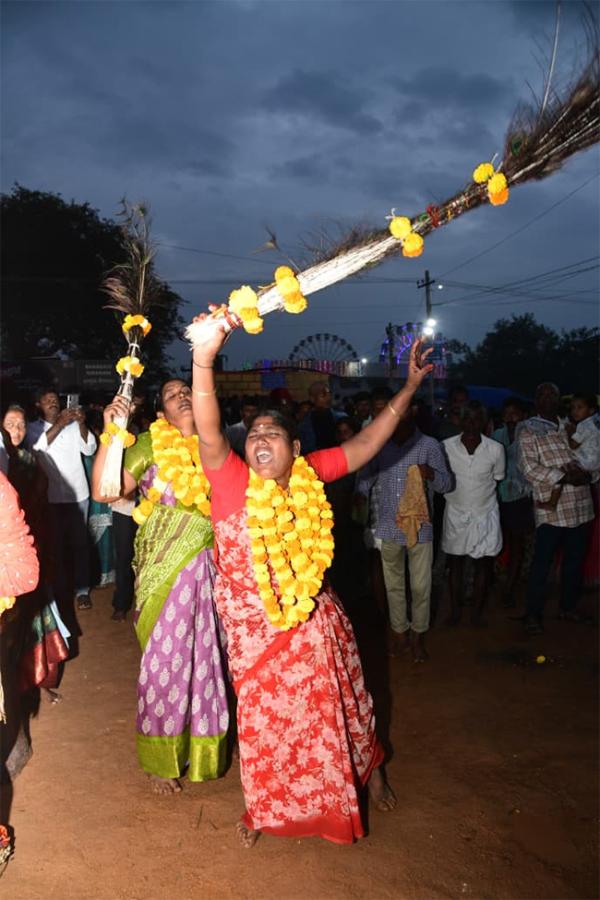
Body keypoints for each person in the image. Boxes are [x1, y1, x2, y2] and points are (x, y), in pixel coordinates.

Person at [190, 312, 433, 847]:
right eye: (254, 433)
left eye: (274, 434)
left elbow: (368, 443)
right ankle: (262, 806)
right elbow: (209, 428)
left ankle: (368, 773)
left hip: (311, 627)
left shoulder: (311, 472)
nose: (261, 439)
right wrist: (203, 357)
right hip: (252, 635)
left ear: (294, 450)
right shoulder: (230, 481)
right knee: (262, 724)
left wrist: (411, 385)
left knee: (337, 713)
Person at [91, 380, 229, 794]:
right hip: (160, 571)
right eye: (171, 394)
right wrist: (112, 432)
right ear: (162, 411)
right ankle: (160, 758)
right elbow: (104, 490)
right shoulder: (150, 445)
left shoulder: (218, 444)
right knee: (164, 663)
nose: (182, 395)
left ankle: (203, 752)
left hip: (210, 569)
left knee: (208, 660)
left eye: (187, 389)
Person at [356, 409, 453, 660]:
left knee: (421, 587)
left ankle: (418, 636)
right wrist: (360, 493)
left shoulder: (429, 446)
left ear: (412, 419)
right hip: (389, 525)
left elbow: (447, 484)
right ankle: (399, 635)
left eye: (401, 420)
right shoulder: (382, 445)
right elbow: (366, 475)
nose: (395, 425)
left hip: (421, 528)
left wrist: (430, 474)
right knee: (394, 587)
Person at [1, 405, 69, 699]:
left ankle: (35, 682)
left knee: (31, 621)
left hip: (26, 552)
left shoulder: (31, 459)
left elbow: (39, 504)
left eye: (20, 425)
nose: (16, 431)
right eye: (10, 424)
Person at [519, 383, 595, 635]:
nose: (549, 398)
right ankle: (533, 614)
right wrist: (563, 478)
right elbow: (529, 469)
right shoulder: (529, 430)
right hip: (552, 511)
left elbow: (593, 456)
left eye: (553, 394)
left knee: (574, 562)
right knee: (542, 564)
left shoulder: (571, 426)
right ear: (536, 401)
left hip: (581, 506)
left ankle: (568, 607)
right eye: (543, 394)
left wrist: (588, 475)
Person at [31, 388, 96, 611]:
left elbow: (89, 449)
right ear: (38, 404)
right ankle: (59, 592)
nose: (52, 402)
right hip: (51, 499)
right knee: (56, 547)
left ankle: (82, 591)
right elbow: (37, 450)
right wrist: (59, 424)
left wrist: (80, 424)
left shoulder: (72, 427)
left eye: (55, 400)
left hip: (79, 495)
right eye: (47, 400)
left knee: (80, 546)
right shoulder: (33, 429)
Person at [442, 401, 505, 626]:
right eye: (467, 418)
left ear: (485, 422)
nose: (471, 423)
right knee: (455, 563)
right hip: (455, 513)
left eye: (477, 419)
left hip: (485, 513)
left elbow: (498, 477)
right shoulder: (446, 447)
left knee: (483, 565)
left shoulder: (495, 449)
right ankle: (455, 611)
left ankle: (476, 614)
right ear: (460, 419)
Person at [491, 397, 534, 606]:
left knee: (516, 542)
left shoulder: (528, 436)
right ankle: (503, 580)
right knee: (502, 540)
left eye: (514, 412)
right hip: (498, 496)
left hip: (520, 497)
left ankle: (510, 586)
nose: (511, 417)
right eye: (507, 413)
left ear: (523, 415)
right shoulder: (496, 435)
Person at [536, 393, 600, 510]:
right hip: (596, 463)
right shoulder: (596, 422)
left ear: (591, 410)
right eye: (573, 408)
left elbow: (573, 445)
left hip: (585, 461)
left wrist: (569, 432)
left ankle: (552, 502)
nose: (575, 411)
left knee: (559, 473)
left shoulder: (584, 425)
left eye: (580, 407)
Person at [298, 381, 343, 453]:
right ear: (312, 399)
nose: (328, 398)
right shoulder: (304, 426)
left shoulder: (341, 418)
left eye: (329, 394)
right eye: (323, 395)